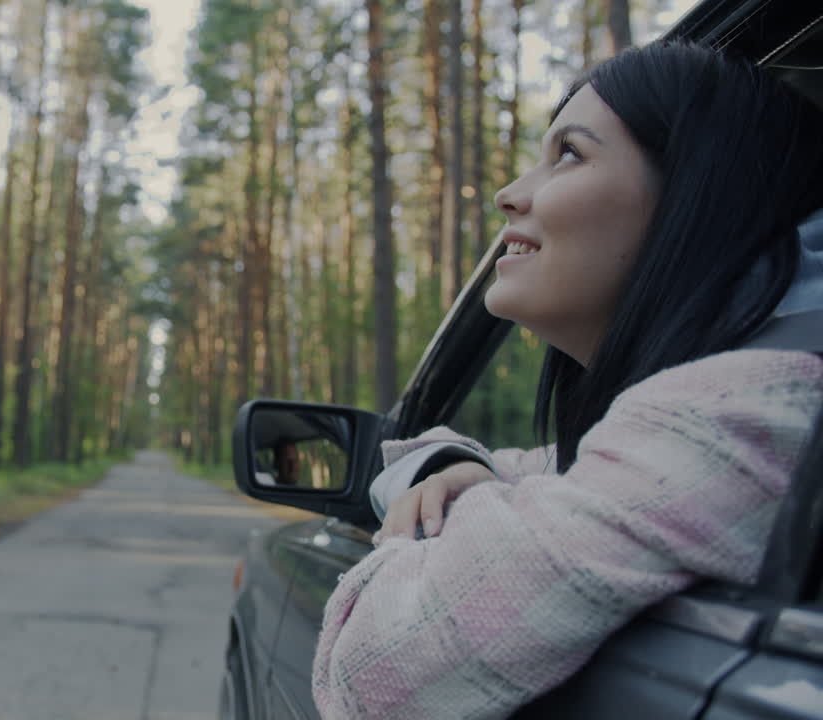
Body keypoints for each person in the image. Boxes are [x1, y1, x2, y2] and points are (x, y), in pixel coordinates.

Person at [312, 41, 823, 720]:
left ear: (700, 196)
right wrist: (458, 469)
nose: (509, 194)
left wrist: (442, 519)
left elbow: (368, 675)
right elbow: (547, 469)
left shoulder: (737, 418)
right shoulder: (716, 416)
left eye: (570, 154)